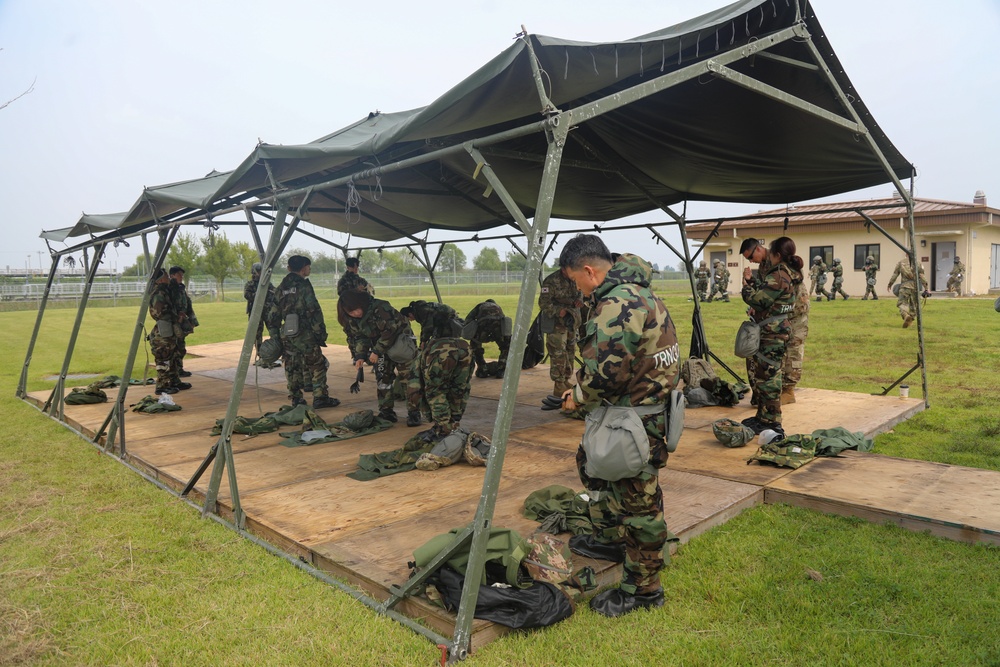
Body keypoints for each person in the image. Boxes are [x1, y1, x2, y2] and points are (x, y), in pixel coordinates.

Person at [559, 235, 680, 618]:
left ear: (590, 272)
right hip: (641, 413)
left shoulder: (616, 304)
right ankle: (611, 539)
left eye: (575, 281)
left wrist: (575, 396)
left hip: (635, 420)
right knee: (592, 467)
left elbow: (605, 376)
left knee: (639, 502)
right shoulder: (639, 292)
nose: (577, 290)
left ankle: (643, 589)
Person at [739, 237, 801, 434]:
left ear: (777, 255)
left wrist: (746, 287)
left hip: (772, 333)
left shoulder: (779, 274)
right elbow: (769, 294)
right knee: (764, 374)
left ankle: (772, 421)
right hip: (774, 329)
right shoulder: (784, 273)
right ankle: (763, 417)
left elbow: (758, 300)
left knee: (769, 377)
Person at [266, 255, 340, 410]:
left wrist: (275, 337)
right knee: (317, 364)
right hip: (305, 333)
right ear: (304, 268)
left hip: (287, 333)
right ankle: (320, 397)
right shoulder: (304, 286)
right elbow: (314, 310)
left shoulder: (281, 288)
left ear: (289, 268)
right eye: (309, 266)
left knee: (291, 366)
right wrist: (320, 333)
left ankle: (296, 399)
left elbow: (273, 314)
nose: (309, 269)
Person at [339, 289, 415, 422]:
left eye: (356, 309)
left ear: (361, 303)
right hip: (380, 348)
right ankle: (386, 411)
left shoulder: (380, 307)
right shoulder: (353, 319)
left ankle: (414, 413)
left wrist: (376, 351)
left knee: (408, 378)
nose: (355, 314)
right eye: (351, 312)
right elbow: (360, 337)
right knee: (383, 378)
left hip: (400, 343)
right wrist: (360, 355)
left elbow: (390, 330)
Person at [405, 336, 473, 438]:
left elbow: (414, 391)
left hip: (441, 350)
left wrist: (428, 414)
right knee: (459, 387)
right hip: (465, 347)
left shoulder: (417, 366)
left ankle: (443, 430)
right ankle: (453, 424)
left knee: (435, 391)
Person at [538, 268, 582, 396]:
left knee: (570, 351)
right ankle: (558, 384)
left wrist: (579, 300)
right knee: (558, 353)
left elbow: (580, 292)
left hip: (571, 322)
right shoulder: (551, 281)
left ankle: (565, 380)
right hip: (556, 324)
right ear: (564, 268)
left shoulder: (575, 277)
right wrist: (558, 311)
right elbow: (543, 303)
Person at [148, 268, 180, 395]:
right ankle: (162, 386)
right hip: (163, 330)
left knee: (170, 357)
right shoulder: (159, 293)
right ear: (160, 279)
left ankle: (169, 382)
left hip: (166, 328)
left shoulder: (164, 291)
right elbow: (159, 313)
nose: (169, 278)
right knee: (163, 358)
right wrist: (175, 317)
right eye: (166, 276)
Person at [463, 299, 511, 378]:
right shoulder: (498, 307)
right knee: (506, 346)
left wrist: (473, 333)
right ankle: (501, 370)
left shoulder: (480, 305)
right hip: (498, 325)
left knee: (475, 346)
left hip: (483, 324)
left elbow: (468, 319)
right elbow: (504, 321)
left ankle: (482, 369)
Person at [168, 266, 197, 382]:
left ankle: (179, 369)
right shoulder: (170, 289)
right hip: (174, 322)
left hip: (182, 321)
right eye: (179, 275)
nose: (182, 277)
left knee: (181, 347)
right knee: (173, 347)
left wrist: (192, 320)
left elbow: (187, 304)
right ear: (172, 275)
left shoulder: (181, 289)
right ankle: (173, 371)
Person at [244, 262, 276, 362]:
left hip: (267, 311)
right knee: (257, 334)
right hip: (255, 312)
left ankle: (274, 353)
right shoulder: (250, 284)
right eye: (258, 271)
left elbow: (275, 292)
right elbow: (247, 295)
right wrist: (260, 294)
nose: (260, 273)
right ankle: (260, 356)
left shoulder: (267, 283)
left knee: (274, 331)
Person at [886, 255, 928, 328]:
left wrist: (890, 284)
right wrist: (926, 288)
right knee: (914, 306)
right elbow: (922, 276)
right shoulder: (918, 263)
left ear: (906, 254)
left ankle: (906, 316)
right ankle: (910, 319)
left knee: (902, 303)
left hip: (905, 287)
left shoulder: (901, 263)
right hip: (915, 288)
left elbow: (895, 274)